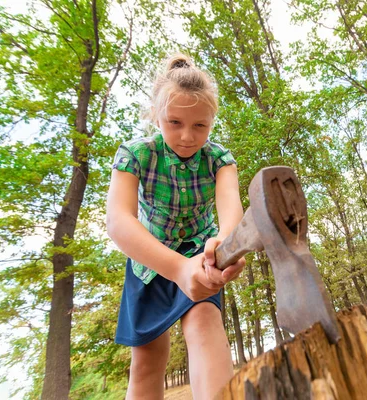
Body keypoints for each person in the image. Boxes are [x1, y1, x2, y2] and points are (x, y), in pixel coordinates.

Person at [106, 53, 246, 400]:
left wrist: (228, 243)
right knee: (147, 360)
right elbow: (118, 221)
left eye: (200, 125)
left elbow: (230, 209)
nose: (187, 136)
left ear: (212, 120)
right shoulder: (135, 154)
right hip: (148, 262)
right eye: (174, 122)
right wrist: (176, 268)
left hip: (201, 257)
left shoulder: (219, 159)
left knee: (204, 324)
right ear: (156, 116)